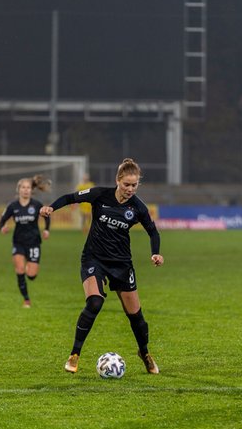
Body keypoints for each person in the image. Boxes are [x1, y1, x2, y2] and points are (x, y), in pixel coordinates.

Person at [40, 158, 164, 375]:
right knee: (95, 302)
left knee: (136, 317)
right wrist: (52, 207)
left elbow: (153, 231)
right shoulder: (100, 195)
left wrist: (155, 252)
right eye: (126, 184)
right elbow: (70, 198)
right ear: (118, 180)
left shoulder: (138, 207)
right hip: (93, 259)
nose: (130, 189)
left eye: (134, 185)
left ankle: (144, 353)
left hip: (122, 264)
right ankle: (74, 354)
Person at [0, 175, 51, 308]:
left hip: (34, 243)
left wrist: (46, 229)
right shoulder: (13, 206)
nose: (26, 190)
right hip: (18, 243)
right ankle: (26, 300)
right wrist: (2, 228)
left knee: (31, 275)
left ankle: (30, 269)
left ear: (31, 190)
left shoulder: (36, 204)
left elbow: (46, 217)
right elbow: (2, 220)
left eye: (28, 187)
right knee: (20, 269)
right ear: (19, 190)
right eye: (23, 187)